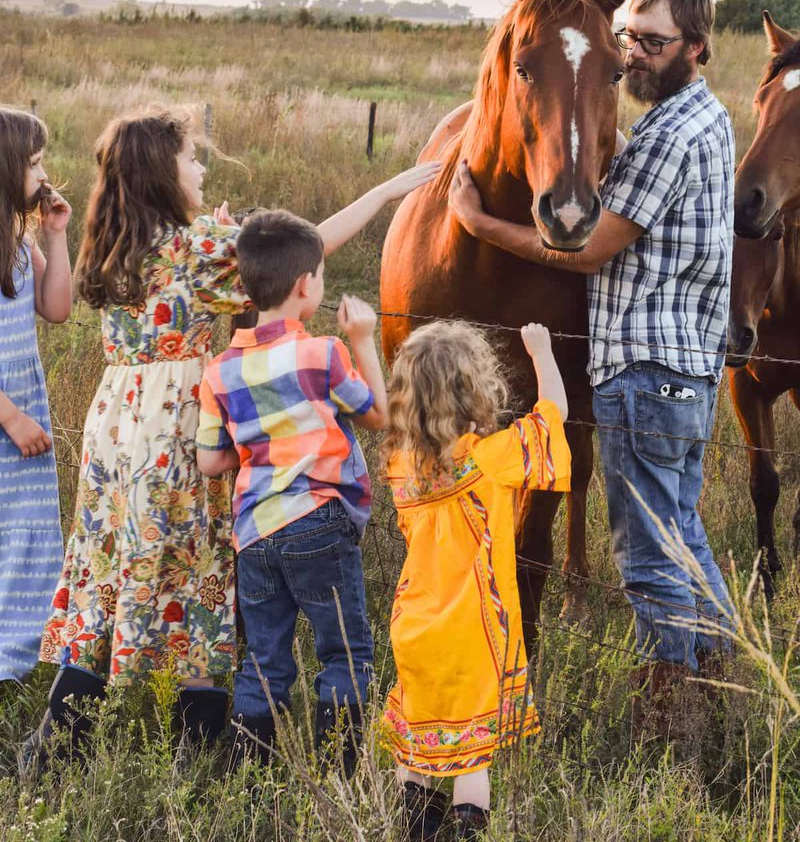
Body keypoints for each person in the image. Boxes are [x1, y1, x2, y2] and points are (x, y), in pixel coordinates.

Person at [32, 106, 438, 756]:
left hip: (117, 421)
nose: (200, 168)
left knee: (105, 565)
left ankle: (61, 734)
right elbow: (306, 247)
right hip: (181, 426)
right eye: (191, 160)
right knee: (201, 570)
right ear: (164, 176)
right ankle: (203, 732)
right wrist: (386, 192)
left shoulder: (113, 244)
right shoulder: (193, 249)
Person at [448, 0, 734, 703]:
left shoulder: (667, 136)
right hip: (687, 370)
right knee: (682, 534)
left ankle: (671, 705)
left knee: (645, 555)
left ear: (695, 48)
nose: (636, 53)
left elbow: (589, 247)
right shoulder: (710, 117)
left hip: (647, 369)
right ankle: (723, 677)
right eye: (629, 37)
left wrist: (481, 226)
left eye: (654, 41)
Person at [196, 209, 386, 772]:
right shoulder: (323, 353)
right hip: (318, 522)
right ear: (306, 286)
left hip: (253, 533)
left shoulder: (218, 373)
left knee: (263, 659)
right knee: (345, 654)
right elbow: (377, 414)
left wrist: (259, 440)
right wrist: (365, 339)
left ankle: (248, 777)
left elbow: (210, 461)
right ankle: (339, 775)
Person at [382, 320, 570, 841]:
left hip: (415, 626)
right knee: (472, 760)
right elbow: (555, 415)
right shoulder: (492, 458)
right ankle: (466, 831)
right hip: (476, 631)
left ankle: (416, 830)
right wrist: (541, 352)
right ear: (476, 390)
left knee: (420, 744)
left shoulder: (401, 466)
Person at [0, 108, 72, 684]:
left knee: (25, 537)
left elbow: (57, 308)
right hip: (9, 415)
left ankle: (17, 663)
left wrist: (56, 234)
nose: (45, 172)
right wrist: (12, 417)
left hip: (24, 416)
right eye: (35, 161)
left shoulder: (20, 242)